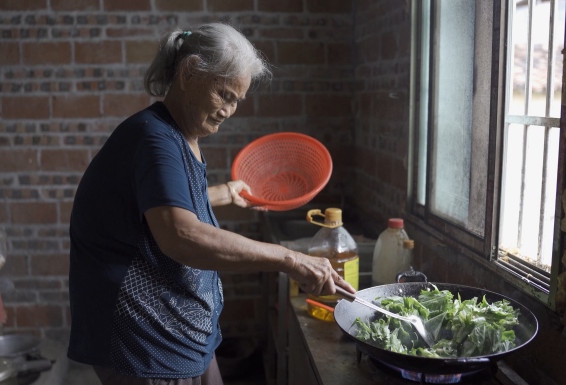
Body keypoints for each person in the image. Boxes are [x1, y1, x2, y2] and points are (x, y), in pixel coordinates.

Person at [67, 22, 355, 385]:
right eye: (225, 95)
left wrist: (223, 194)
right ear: (189, 73)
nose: (230, 110)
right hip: (145, 338)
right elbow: (180, 236)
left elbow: (153, 204)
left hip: (180, 329)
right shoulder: (154, 140)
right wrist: (289, 259)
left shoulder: (177, 132)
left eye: (237, 100)